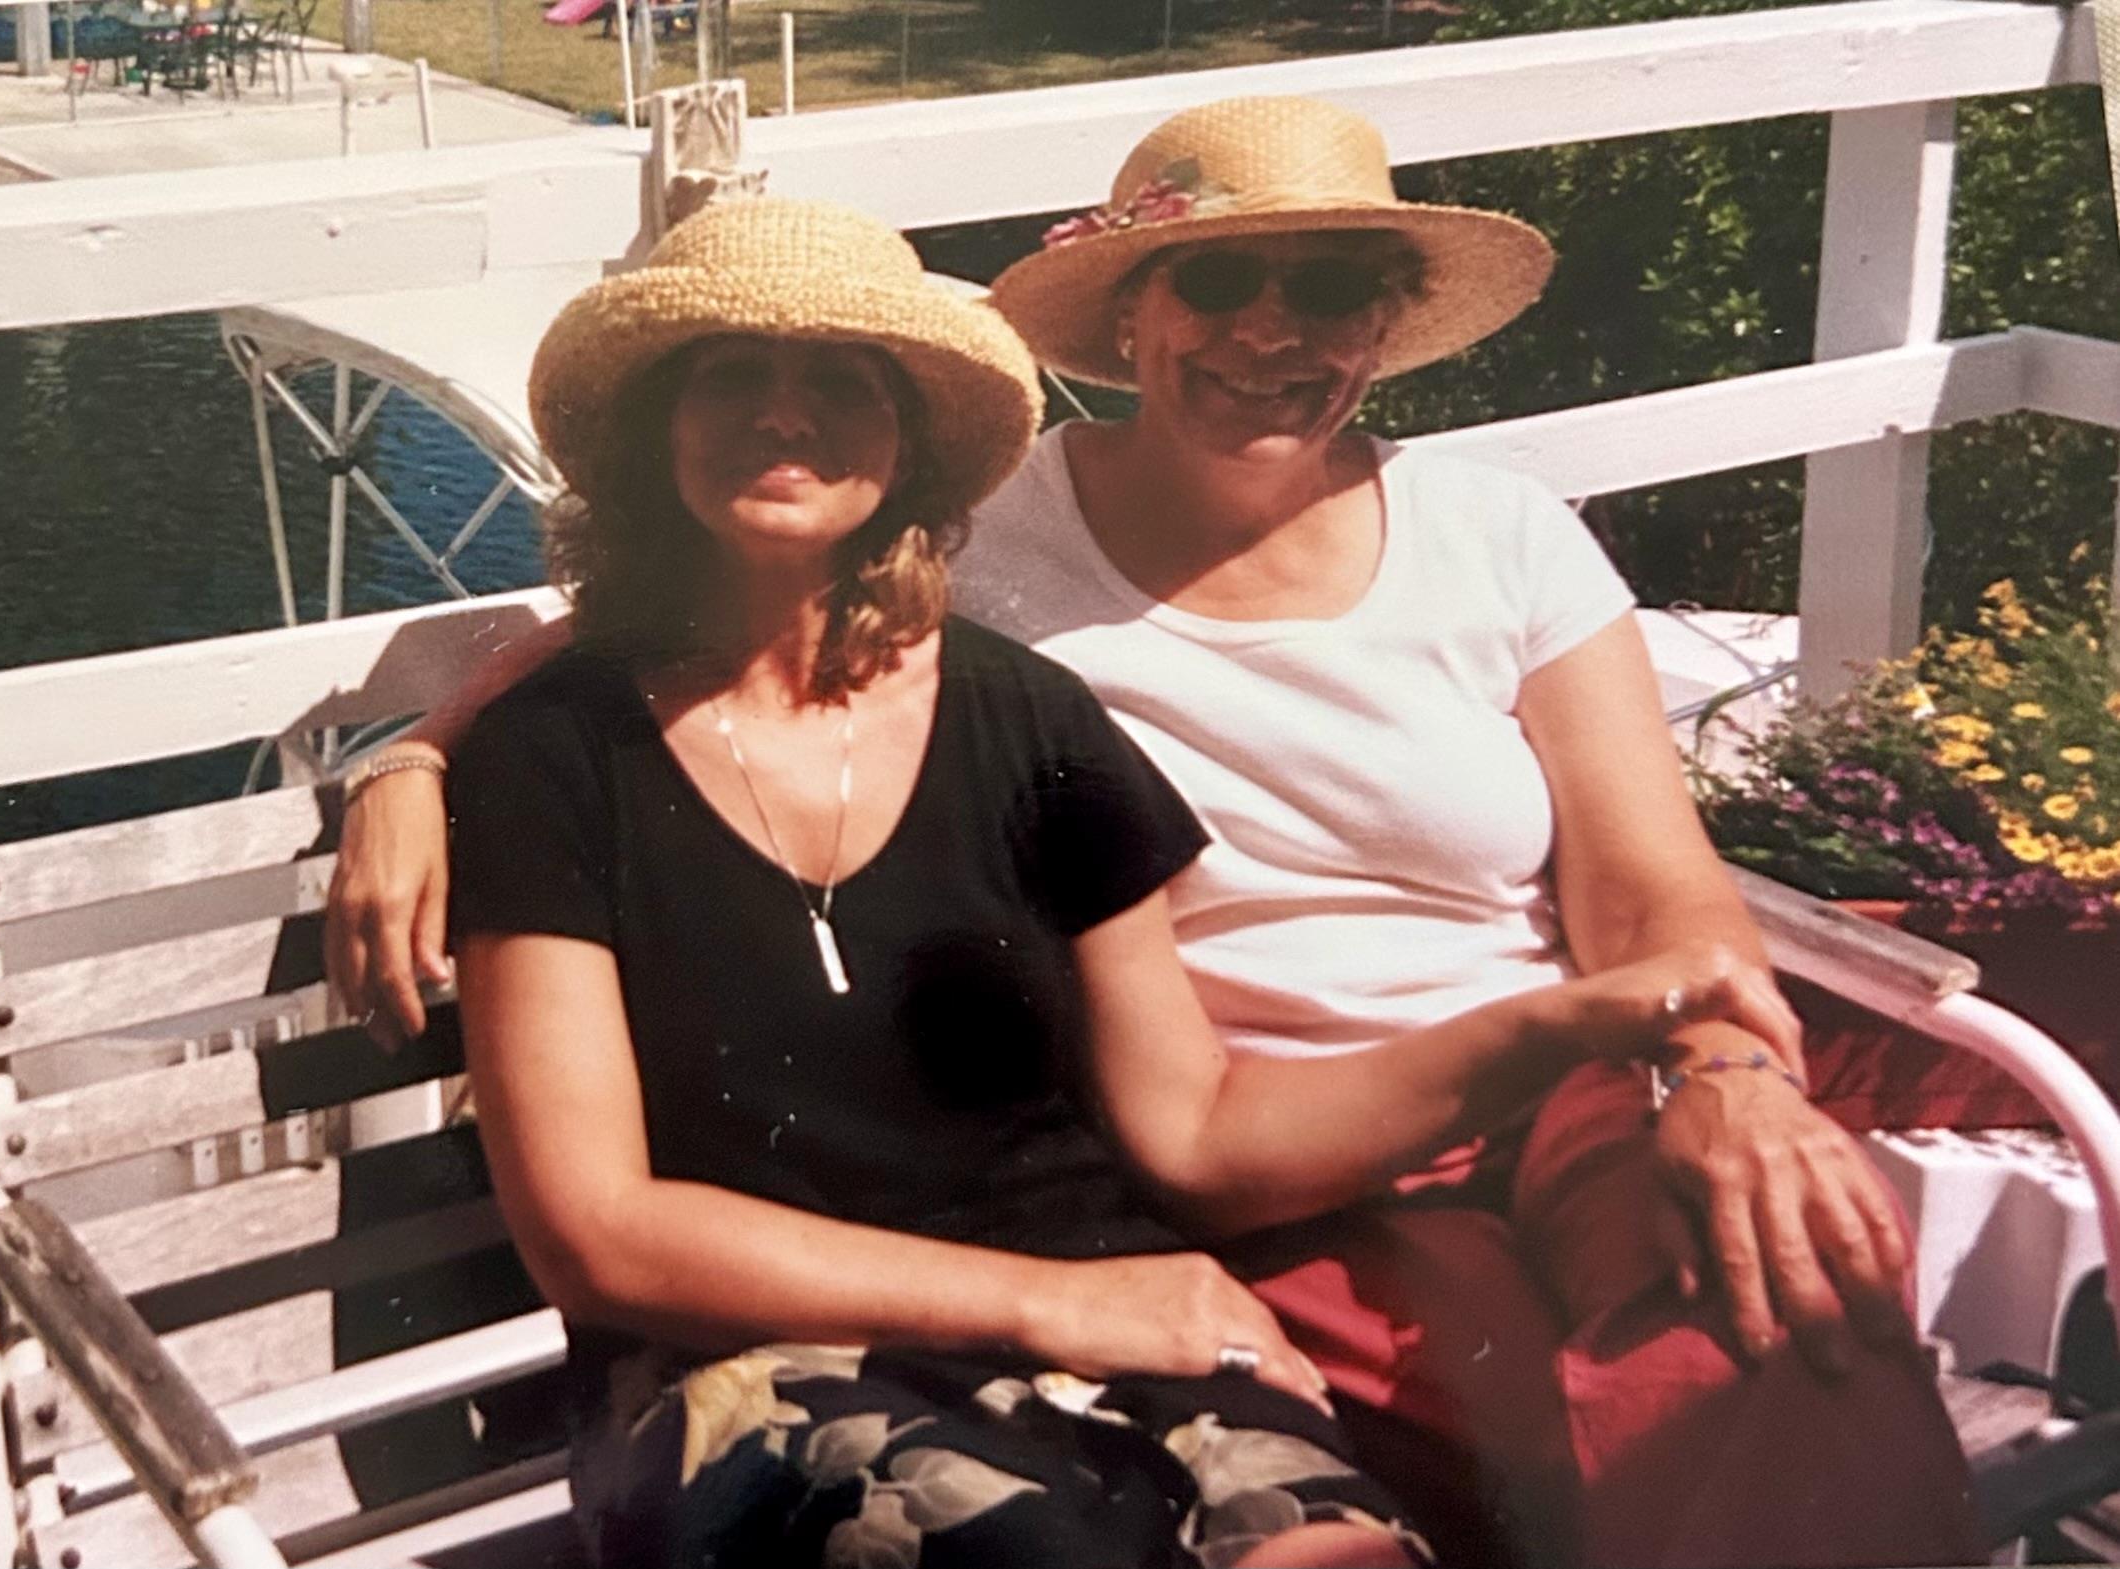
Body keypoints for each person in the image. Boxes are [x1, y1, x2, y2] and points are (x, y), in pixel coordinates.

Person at [330, 103, 1979, 1568]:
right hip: (1275, 1151)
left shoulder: (1501, 534)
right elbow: (670, 606)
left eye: (1330, 283)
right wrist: (415, 757)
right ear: (1132, 309)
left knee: (1796, 1300)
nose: (1271, 330)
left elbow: (1651, 881)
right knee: (1536, 1446)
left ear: (1391, 322)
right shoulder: (989, 549)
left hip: (1565, 1087)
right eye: (1216, 282)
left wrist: (1733, 1073)